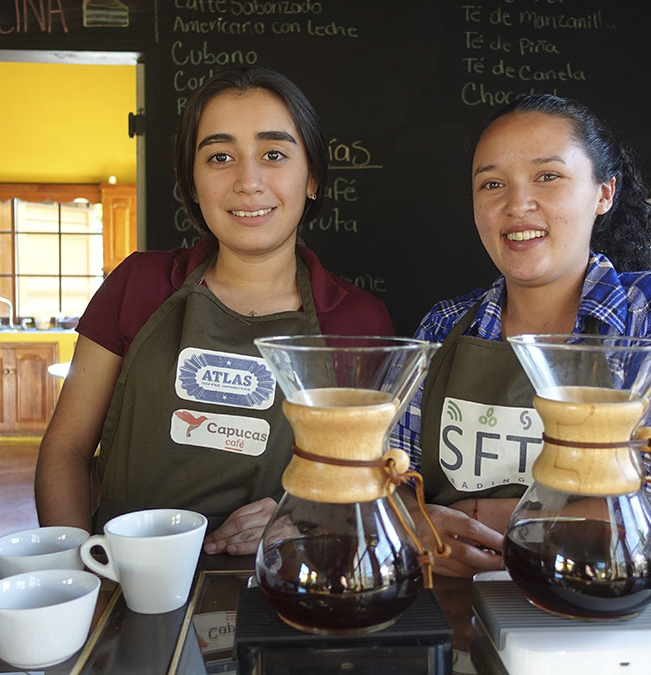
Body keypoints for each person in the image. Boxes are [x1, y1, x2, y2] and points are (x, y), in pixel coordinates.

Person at [35, 67, 393, 556]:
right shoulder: (136, 286)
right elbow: (66, 450)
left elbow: (366, 483)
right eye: (220, 157)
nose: (248, 181)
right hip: (124, 579)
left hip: (285, 583)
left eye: (274, 154)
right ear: (192, 181)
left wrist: (309, 514)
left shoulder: (360, 322)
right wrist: (80, 574)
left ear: (311, 177)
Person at [393, 94, 651, 577]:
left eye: (548, 176)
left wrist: (477, 519)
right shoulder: (443, 325)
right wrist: (413, 520)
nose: (517, 204)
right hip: (445, 599)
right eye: (492, 184)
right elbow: (390, 481)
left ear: (604, 193)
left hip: (594, 605)